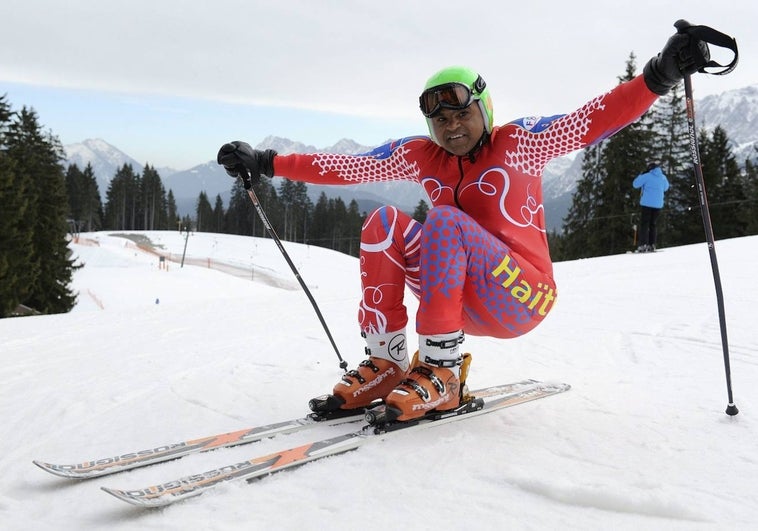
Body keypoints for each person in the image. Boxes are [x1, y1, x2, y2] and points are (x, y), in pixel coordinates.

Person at [217, 22, 710, 423]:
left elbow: (592, 119)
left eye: (462, 114)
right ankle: (389, 362)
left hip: (523, 295)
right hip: (457, 297)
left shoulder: (521, 142)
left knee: (446, 221)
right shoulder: (420, 155)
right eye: (440, 120)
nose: (451, 127)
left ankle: (443, 373)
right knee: (382, 223)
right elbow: (347, 167)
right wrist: (266, 162)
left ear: (484, 108)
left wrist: (658, 75)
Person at [633, 162, 670, 252]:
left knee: (644, 224)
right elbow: (666, 188)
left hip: (646, 204)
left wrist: (641, 175)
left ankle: (643, 245)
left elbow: (635, 184)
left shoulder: (646, 176)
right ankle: (652, 244)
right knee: (653, 224)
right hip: (658, 205)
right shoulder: (663, 177)